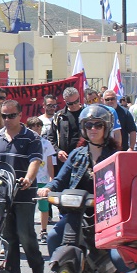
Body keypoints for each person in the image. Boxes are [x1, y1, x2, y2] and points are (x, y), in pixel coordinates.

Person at [41, 104, 120, 255]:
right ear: (84, 128)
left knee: (117, 256)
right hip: (77, 213)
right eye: (89, 125)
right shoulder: (76, 154)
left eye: (98, 125)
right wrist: (48, 188)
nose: (93, 129)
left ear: (106, 128)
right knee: (53, 238)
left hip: (107, 215)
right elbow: (60, 179)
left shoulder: (115, 156)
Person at [0, 99, 43, 273]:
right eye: (4, 116)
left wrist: (29, 179)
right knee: (7, 236)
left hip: (24, 193)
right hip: (1, 194)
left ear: (20, 116)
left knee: (25, 233)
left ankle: (37, 265)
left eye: (11, 116)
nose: (7, 119)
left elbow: (35, 161)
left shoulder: (32, 138)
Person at [25, 116, 56, 240]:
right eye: (34, 127)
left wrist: (51, 178)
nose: (37, 130)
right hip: (29, 179)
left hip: (43, 179)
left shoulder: (46, 143)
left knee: (44, 206)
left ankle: (43, 230)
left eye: (39, 127)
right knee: (28, 206)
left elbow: (50, 163)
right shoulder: (26, 142)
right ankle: (28, 230)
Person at [49, 87, 83, 170]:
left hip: (83, 158)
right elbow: (51, 138)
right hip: (64, 160)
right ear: (65, 101)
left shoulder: (86, 114)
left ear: (79, 98)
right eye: (70, 103)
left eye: (76, 101)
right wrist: (58, 151)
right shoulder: (59, 116)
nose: (74, 105)